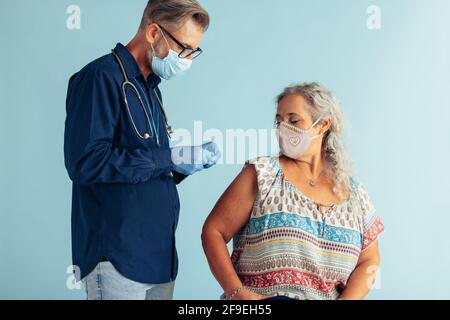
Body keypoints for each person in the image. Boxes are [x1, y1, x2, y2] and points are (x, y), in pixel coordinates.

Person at [64, 0, 220, 300]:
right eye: (184, 48)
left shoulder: (150, 89)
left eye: (193, 52)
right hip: (118, 257)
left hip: (158, 258)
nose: (187, 59)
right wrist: (168, 157)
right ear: (153, 33)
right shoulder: (100, 78)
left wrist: (180, 164)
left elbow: (144, 167)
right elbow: (85, 162)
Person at [202, 83, 384, 300]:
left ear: (323, 125)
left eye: (293, 120)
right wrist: (236, 291)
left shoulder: (355, 195)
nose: (282, 128)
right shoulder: (263, 175)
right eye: (278, 121)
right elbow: (213, 231)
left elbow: (370, 261)